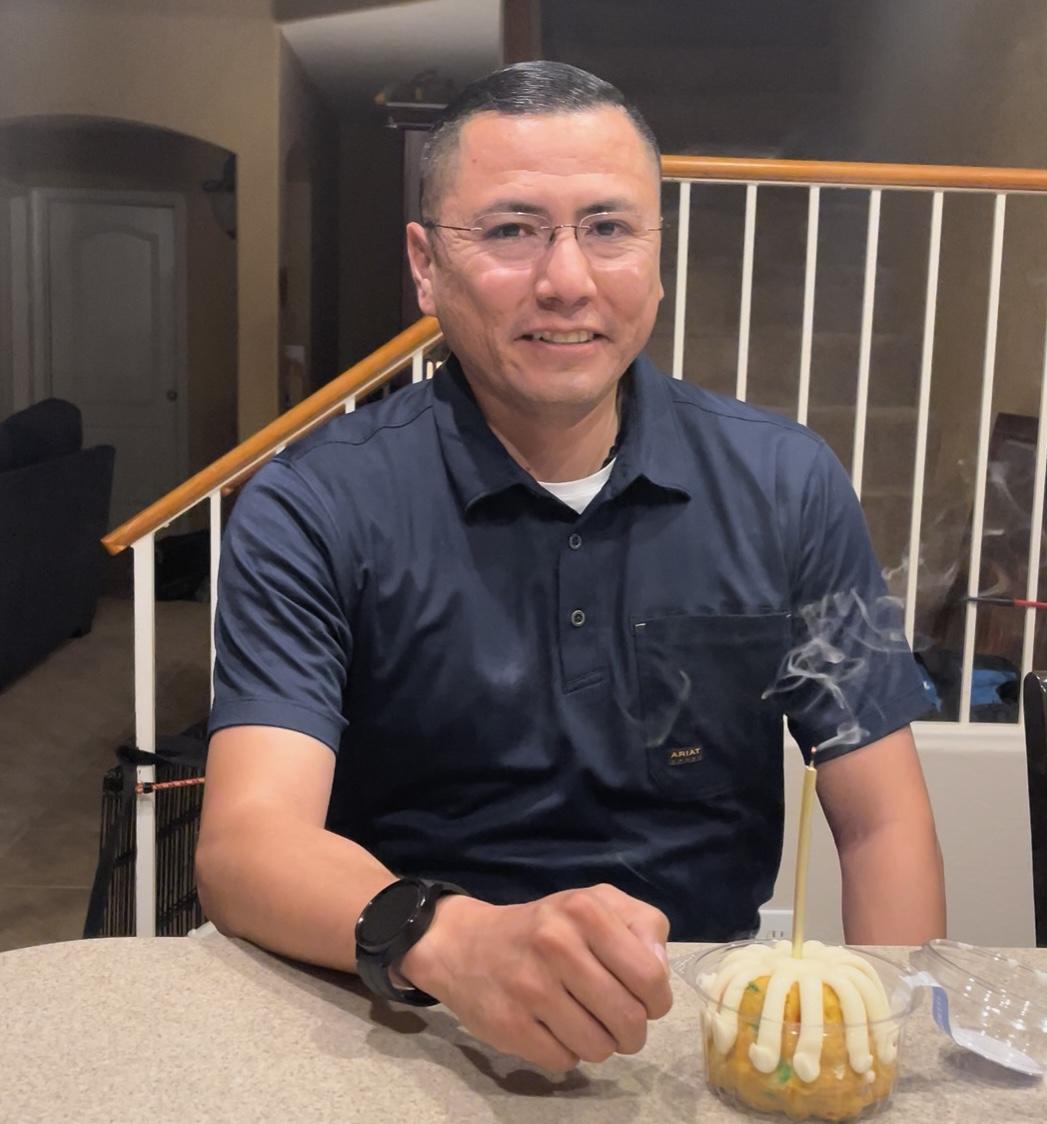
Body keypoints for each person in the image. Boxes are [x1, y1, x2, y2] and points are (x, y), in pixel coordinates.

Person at [197, 60, 945, 1073]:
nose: (567, 280)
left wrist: (884, 1044)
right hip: (406, 1017)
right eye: (511, 230)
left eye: (608, 227)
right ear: (425, 265)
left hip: (695, 1028)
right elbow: (245, 844)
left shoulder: (786, 484)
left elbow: (880, 818)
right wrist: (455, 940)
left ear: (657, 256)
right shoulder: (313, 505)